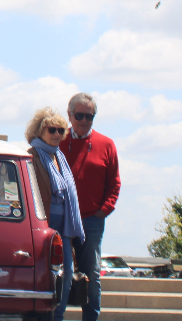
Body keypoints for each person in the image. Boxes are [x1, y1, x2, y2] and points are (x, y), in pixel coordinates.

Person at [59, 92, 121, 321]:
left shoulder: (106, 144)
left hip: (92, 220)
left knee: (92, 273)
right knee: (58, 272)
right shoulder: (58, 140)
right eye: (80, 115)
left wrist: (104, 210)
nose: (84, 120)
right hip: (61, 218)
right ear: (70, 115)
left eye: (90, 116)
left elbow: (114, 183)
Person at [26, 107, 84, 321]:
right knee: (46, 275)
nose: (57, 134)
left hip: (65, 225)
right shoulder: (31, 156)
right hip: (44, 225)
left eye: (61, 130)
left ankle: (58, 316)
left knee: (67, 273)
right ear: (39, 131)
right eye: (52, 129)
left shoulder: (60, 157)